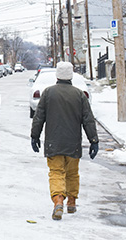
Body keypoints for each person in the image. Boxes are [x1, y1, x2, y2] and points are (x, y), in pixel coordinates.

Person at [30, 61, 99, 221]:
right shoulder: (79, 94)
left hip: (53, 142)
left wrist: (35, 135)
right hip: (73, 142)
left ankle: (58, 200)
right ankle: (72, 202)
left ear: (57, 76)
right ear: (71, 75)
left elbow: (38, 117)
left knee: (56, 172)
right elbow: (88, 119)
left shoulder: (48, 93)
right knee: (72, 173)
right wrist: (93, 140)